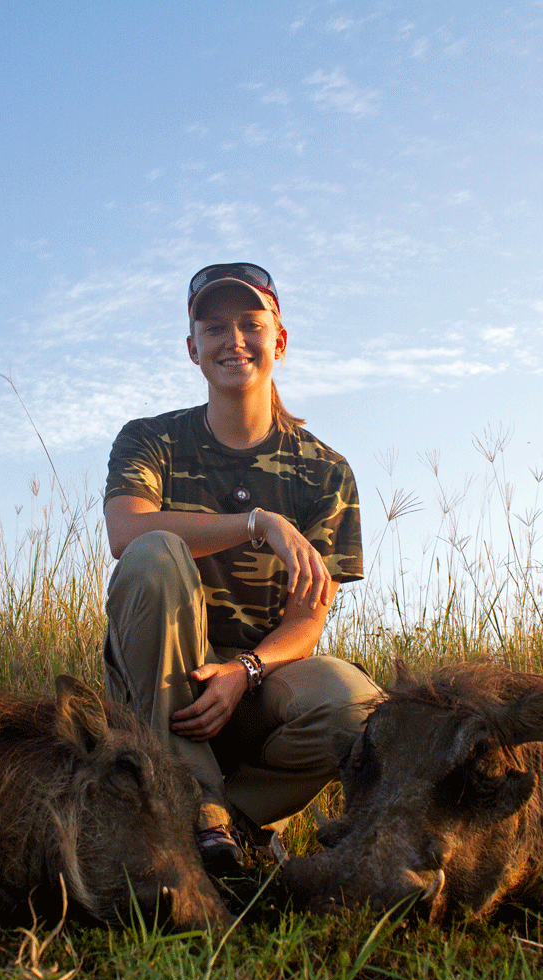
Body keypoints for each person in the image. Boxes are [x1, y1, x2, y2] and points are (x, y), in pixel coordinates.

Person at [102, 262, 380, 873]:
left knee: (354, 703)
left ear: (279, 340)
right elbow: (126, 533)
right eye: (214, 327)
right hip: (157, 688)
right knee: (156, 553)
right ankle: (191, 806)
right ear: (192, 349)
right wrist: (259, 524)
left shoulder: (324, 471)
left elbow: (309, 620)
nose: (234, 341)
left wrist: (244, 671)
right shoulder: (150, 440)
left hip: (254, 690)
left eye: (251, 324)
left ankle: (232, 822)